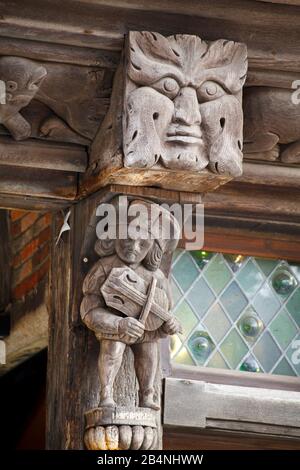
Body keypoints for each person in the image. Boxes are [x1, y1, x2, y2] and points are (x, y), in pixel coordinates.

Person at [80, 199, 181, 410]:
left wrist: (167, 325)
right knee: (113, 346)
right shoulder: (104, 268)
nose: (133, 248)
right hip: (115, 327)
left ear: (152, 248)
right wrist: (118, 324)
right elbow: (89, 310)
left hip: (144, 330)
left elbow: (163, 311)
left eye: (142, 244)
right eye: (127, 239)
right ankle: (106, 394)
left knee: (149, 349)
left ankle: (147, 394)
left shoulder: (157, 277)